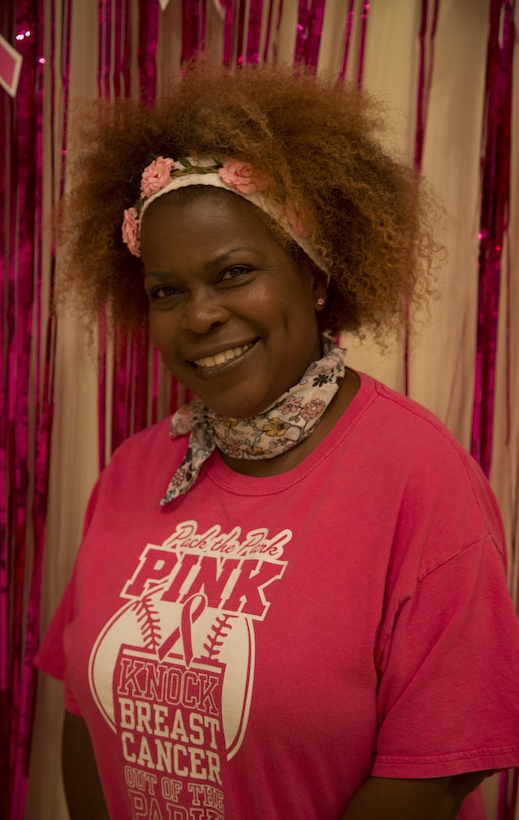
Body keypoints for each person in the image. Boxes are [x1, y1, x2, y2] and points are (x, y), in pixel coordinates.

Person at [36, 65, 519, 820]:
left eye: (233, 273)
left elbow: (432, 773)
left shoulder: (422, 482)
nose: (198, 316)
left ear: (314, 274)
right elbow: (81, 716)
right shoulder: (132, 470)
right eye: (167, 290)